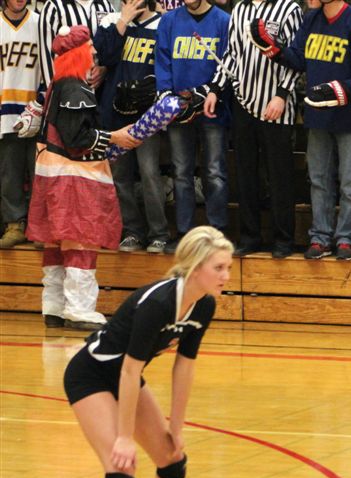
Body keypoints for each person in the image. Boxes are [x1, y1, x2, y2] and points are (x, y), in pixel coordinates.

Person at [60, 226, 233, 478]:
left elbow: (184, 366)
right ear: (195, 267)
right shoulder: (159, 302)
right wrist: (124, 437)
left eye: (228, 267)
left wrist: (177, 427)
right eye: (219, 268)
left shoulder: (203, 305)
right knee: (120, 473)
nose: (226, 276)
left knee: (171, 457)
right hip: (91, 377)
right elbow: (129, 369)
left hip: (124, 378)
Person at [26, 26, 141, 331]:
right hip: (72, 178)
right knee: (80, 240)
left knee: (57, 241)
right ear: (77, 54)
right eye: (89, 48)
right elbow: (77, 138)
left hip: (52, 173)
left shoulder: (58, 85)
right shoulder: (75, 89)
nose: (94, 52)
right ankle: (79, 308)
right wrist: (114, 137)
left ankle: (54, 307)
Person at [249, 0, 351, 261]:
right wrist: (273, 48)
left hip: (350, 117)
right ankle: (320, 237)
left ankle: (347, 239)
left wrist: (337, 90)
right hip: (317, 116)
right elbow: (297, 59)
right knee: (318, 179)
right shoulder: (311, 19)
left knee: (350, 183)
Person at [206, 0, 302, 259]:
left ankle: (283, 239)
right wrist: (215, 89)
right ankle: (250, 237)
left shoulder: (289, 9)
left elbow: (297, 56)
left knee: (279, 176)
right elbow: (231, 55)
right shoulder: (239, 9)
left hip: (276, 104)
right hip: (244, 102)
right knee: (246, 174)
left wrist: (282, 95)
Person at [96, 0, 173, 255]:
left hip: (147, 116)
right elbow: (104, 57)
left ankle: (159, 233)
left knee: (149, 173)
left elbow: (167, 65)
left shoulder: (163, 24)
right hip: (114, 114)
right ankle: (132, 232)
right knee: (120, 177)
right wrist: (123, 21)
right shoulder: (110, 21)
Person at [156, 0, 231, 252]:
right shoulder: (169, 21)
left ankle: (217, 233)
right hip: (179, 110)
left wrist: (209, 92)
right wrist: (168, 98)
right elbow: (162, 61)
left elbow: (228, 63)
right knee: (181, 172)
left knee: (214, 172)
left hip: (212, 110)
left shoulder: (223, 21)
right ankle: (184, 233)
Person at [0, 0, 40, 249]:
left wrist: (42, 102)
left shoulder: (40, 23)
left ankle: (39, 226)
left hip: (36, 108)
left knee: (40, 173)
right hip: (5, 111)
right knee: (9, 173)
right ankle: (14, 224)